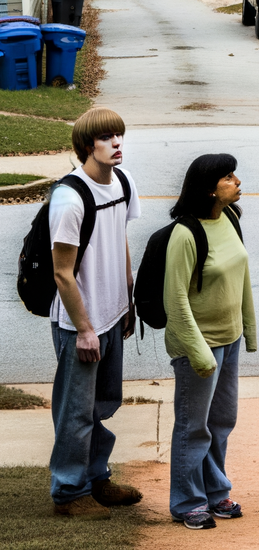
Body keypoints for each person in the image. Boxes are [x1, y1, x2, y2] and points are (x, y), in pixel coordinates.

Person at [49, 106, 142, 519]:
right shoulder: (70, 199)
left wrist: (127, 300)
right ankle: (69, 494)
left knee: (101, 404)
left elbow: (118, 236)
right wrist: (84, 329)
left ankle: (97, 478)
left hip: (111, 313)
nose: (117, 143)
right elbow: (62, 273)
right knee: (75, 410)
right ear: (89, 145)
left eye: (119, 136)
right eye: (107, 138)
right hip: (78, 323)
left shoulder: (122, 182)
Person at [164, 154, 256, 530]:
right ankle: (187, 501)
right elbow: (176, 299)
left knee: (221, 420)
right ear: (208, 189)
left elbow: (242, 279)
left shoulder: (231, 219)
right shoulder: (185, 234)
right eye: (227, 177)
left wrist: (248, 329)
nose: (236, 180)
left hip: (229, 340)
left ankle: (216, 492)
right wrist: (199, 351)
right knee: (192, 425)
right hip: (197, 345)